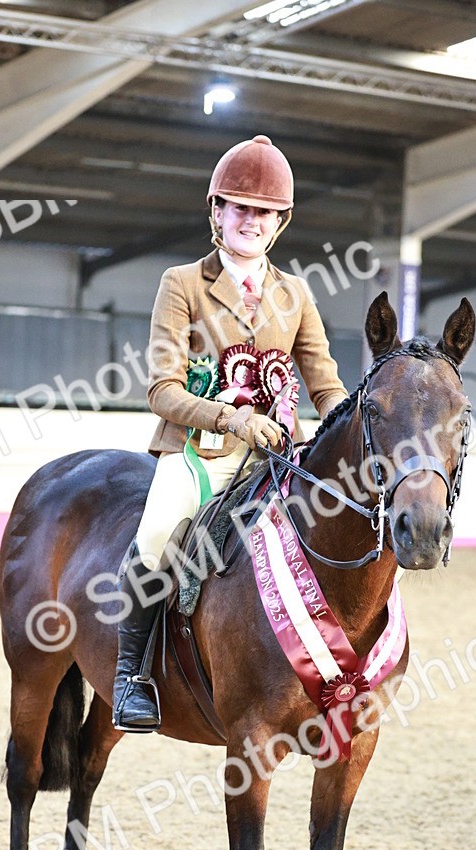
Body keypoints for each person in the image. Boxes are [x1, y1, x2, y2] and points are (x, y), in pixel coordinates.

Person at [113, 133, 349, 732]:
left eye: (264, 212)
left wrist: (350, 428)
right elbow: (162, 389)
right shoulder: (183, 283)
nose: (251, 221)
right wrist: (233, 417)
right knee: (156, 536)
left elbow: (325, 382)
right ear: (216, 212)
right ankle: (131, 678)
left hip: (278, 457)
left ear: (280, 224)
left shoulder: (295, 294)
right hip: (200, 451)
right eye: (239, 208)